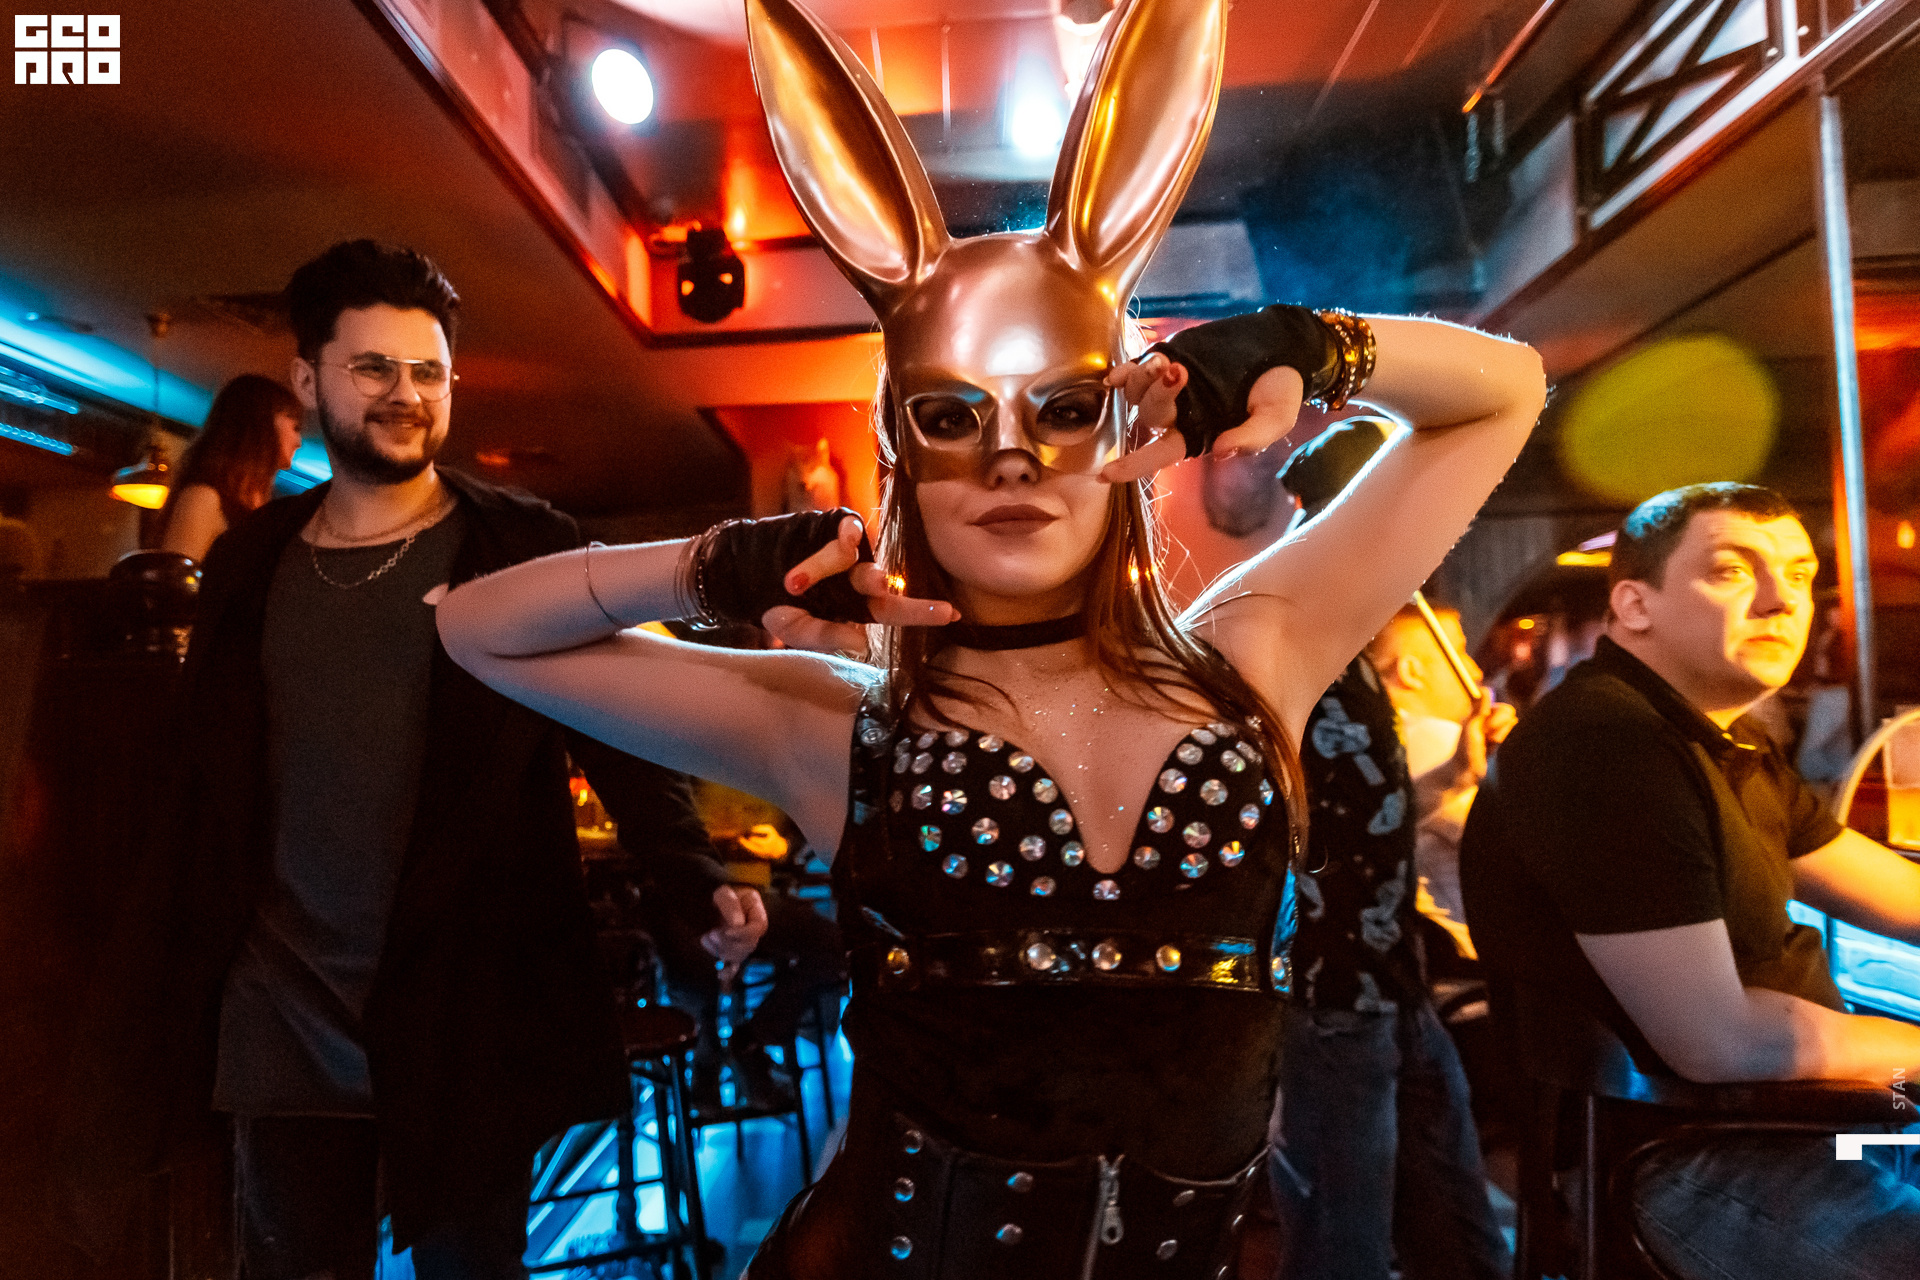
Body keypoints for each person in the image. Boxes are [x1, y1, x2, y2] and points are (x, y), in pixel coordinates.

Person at [437, 1, 1544, 1273]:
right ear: (903, 448)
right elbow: (479, 629)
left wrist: (1312, 345)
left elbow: (1503, 394)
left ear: (1122, 417)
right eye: (954, 417)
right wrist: (714, 563)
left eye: (1062, 407)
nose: (1012, 457)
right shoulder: (838, 722)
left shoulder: (1255, 655)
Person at [57, 239, 768, 1280]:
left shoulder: (519, 544)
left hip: (464, 1002)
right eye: (374, 367)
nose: (406, 393)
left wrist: (693, 877)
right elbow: (204, 773)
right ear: (310, 380)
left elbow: (618, 728)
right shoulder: (251, 559)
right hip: (283, 1009)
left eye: (427, 370)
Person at [1461, 481, 1920, 1280]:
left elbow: (1894, 894)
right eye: (1733, 570)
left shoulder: (1718, 742)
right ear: (1635, 604)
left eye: (1800, 574)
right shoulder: (1607, 745)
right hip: (1687, 1157)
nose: (1783, 601)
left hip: (1807, 1126)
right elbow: (1715, 1040)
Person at [1268, 421, 1511, 1280]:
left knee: (1449, 1208)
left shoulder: (1355, 646)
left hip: (1392, 980)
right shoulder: (1291, 643)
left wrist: (1460, 775)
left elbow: (1364, 816)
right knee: (1346, 1238)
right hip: (1328, 993)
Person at [1367, 603, 1515, 955]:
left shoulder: (1370, 746)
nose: (1475, 670)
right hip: (1471, 956)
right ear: (1411, 672)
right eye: (1460, 652)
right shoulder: (1438, 739)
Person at [156, 373, 305, 561]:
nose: (299, 442)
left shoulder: (260, 507)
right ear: (262, 422)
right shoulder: (204, 497)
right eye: (295, 427)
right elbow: (177, 577)